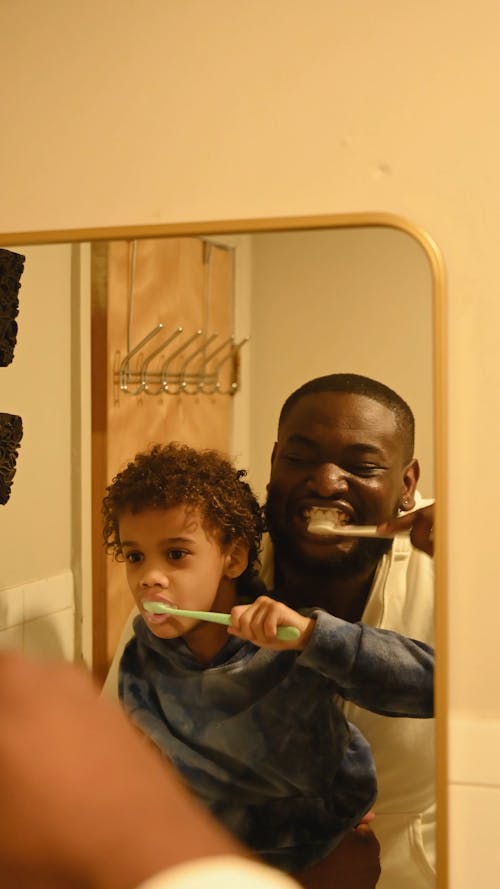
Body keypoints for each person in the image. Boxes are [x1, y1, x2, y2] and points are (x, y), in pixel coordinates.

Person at [104, 373, 436, 889]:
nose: (326, 482)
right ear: (275, 462)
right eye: (300, 459)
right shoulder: (197, 578)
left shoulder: (453, 569)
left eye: (362, 466)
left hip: (402, 863)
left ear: (408, 484)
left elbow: (448, 686)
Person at [0, 649, 302, 889]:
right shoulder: (138, 658)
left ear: (233, 567)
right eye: (133, 565)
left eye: (176, 565)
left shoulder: (273, 657)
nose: (151, 577)